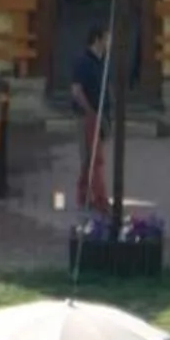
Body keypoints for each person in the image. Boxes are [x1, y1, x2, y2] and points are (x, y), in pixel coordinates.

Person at [70, 29, 113, 214]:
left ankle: (83, 195)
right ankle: (99, 200)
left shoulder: (100, 62)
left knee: (90, 158)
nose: (110, 43)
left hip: (100, 114)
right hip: (88, 115)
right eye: (107, 38)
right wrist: (91, 112)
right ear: (97, 39)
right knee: (95, 159)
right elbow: (76, 90)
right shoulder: (83, 62)